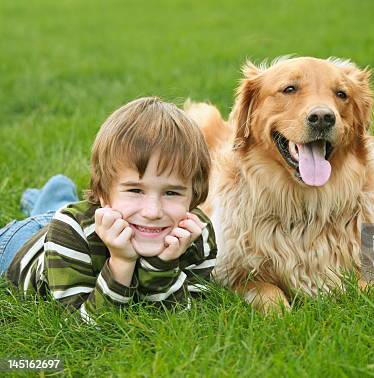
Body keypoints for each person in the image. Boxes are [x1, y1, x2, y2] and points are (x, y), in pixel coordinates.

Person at [0, 97, 216, 322]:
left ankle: (56, 196)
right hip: (21, 244)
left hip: (84, 219)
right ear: (103, 194)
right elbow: (82, 327)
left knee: (57, 212)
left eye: (171, 193)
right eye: (135, 190)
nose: (153, 212)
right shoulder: (69, 233)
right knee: (51, 219)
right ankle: (53, 200)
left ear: (194, 195)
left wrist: (163, 266)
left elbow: (187, 318)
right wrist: (121, 262)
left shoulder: (196, 233)